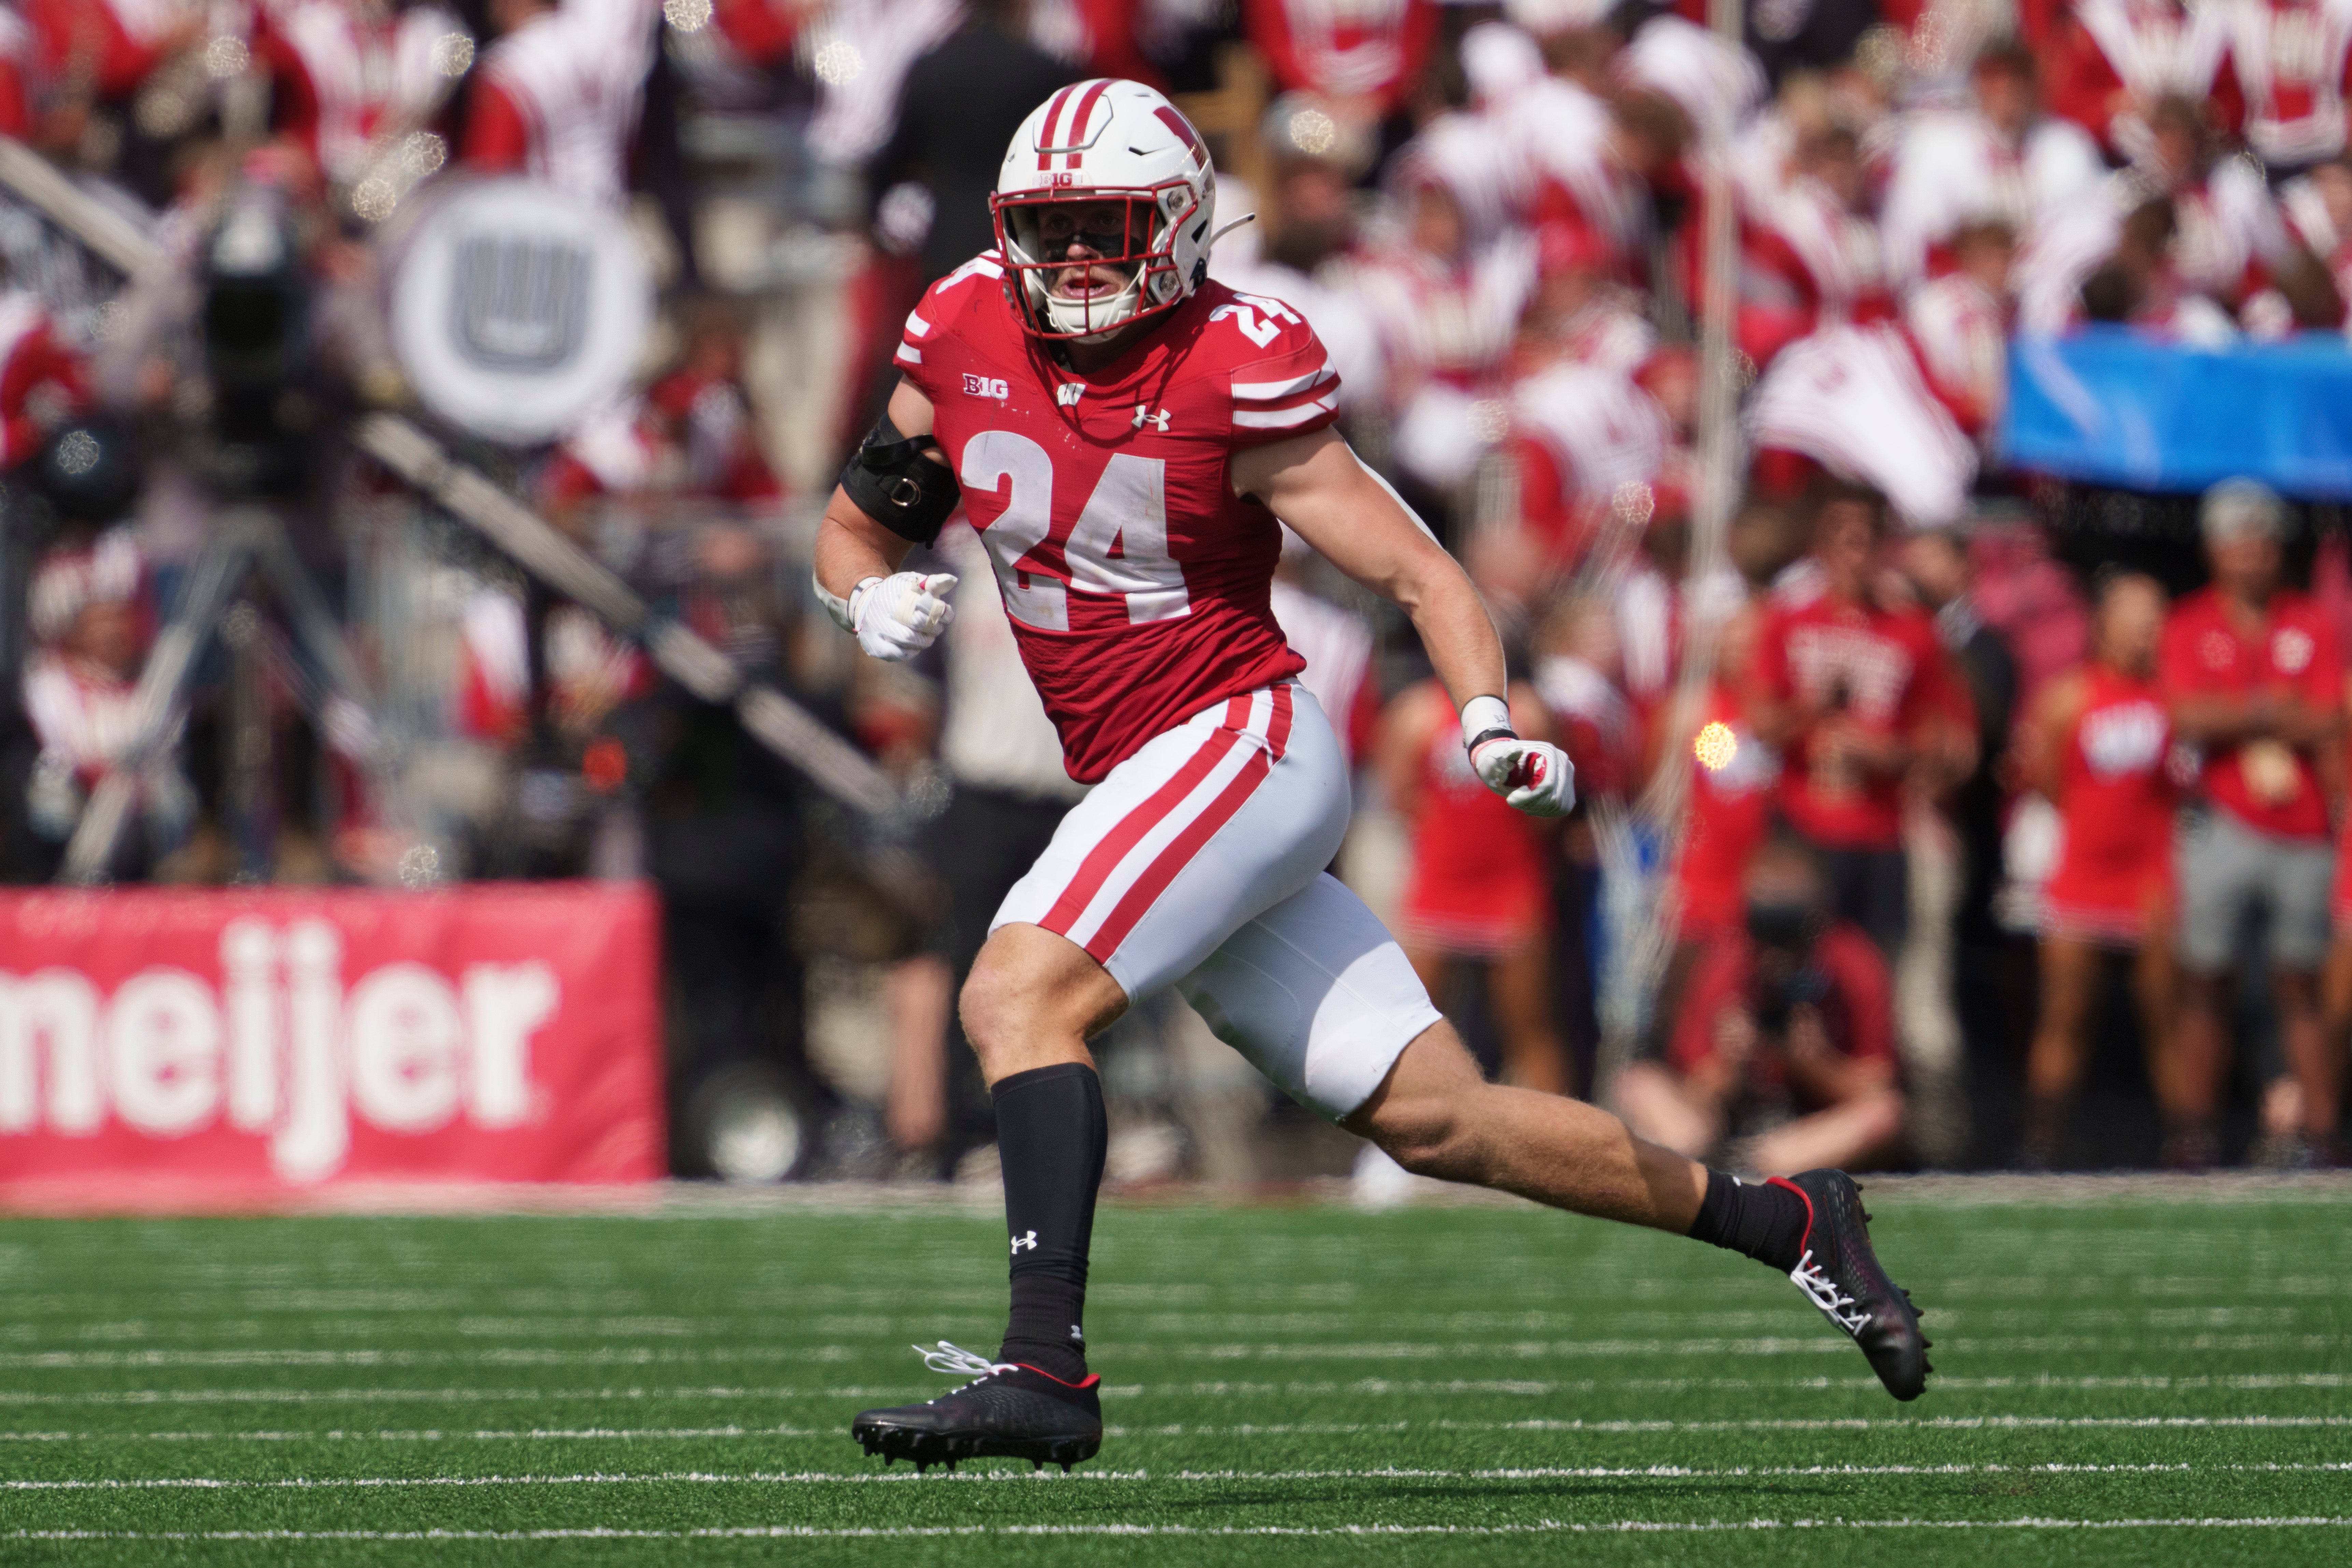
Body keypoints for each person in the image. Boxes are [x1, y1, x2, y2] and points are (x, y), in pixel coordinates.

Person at [813, 78, 1928, 1475]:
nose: (1077, 258)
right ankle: (1794, 1219)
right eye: (1053, 227)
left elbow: (1420, 569)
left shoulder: (1235, 361)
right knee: (1439, 1118)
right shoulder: (965, 322)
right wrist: (861, 602)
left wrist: (1482, 715)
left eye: (1105, 224)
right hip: (1135, 776)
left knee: (1014, 990)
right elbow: (854, 527)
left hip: (1236, 738)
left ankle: (1046, 1364)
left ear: (1172, 225)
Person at [2161, 480, 2344, 1168]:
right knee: (2205, 977)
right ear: (2214, 548)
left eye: (2263, 538)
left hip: (2296, 823)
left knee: (2300, 981)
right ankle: (2193, 1129)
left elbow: (2327, 715)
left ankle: (2323, 1130)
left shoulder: (2308, 620)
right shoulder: (2188, 621)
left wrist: (2232, 712)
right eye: (2239, 538)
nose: (2252, 552)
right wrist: (2270, 710)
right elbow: (2184, 714)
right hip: (2220, 818)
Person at [1747, 482, 1968, 960]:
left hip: (1878, 831)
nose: (1853, 551)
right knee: (1793, 961)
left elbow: (1944, 745)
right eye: (1842, 537)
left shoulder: (1914, 632)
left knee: (1870, 969)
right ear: (1821, 544)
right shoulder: (1788, 620)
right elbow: (1757, 726)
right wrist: (1812, 709)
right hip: (1801, 821)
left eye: (1865, 538)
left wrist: (1885, 753)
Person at [1618, 836, 1907, 1177]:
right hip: (1725, 1127)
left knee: (1886, 1114)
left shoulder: (1852, 962)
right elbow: (1694, 1089)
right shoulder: (1729, 961)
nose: (1777, 946)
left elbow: (1877, 1087)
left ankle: (1755, 1166)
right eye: (1765, 921)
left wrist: (1815, 1063)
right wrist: (1728, 1063)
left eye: (1791, 923)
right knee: (1639, 1082)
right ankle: (1714, 1164)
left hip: (1807, 1133)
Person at [2016, 572, 2178, 1167]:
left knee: (2165, 1015)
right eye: (2133, 620)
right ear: (2104, 625)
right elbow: (2046, 780)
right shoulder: (2068, 697)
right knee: (2065, 1012)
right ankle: (2043, 1139)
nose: (2144, 634)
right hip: (2082, 876)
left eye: (2151, 621)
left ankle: (2185, 1139)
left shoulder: (2169, 696)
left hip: (2150, 880)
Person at [1379, 675, 1572, 1095]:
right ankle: (1407, 1141)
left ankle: (1549, 1140)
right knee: (1412, 1027)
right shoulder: (1415, 712)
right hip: (1439, 885)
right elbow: (1400, 797)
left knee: (1531, 1029)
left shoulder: (1529, 712)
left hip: (1510, 885)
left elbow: (1550, 811)